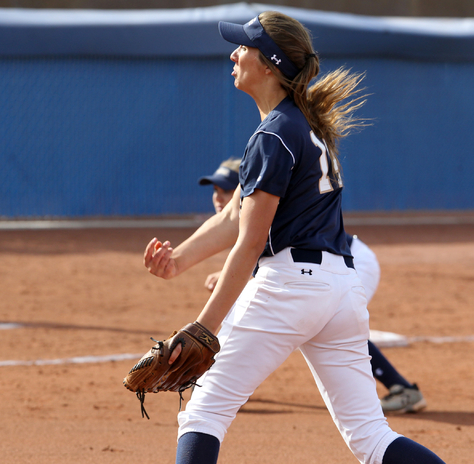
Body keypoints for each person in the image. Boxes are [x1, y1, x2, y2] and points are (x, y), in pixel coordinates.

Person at [143, 11, 444, 464]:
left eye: (243, 46)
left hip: (291, 285)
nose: (234, 53)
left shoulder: (274, 135)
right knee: (371, 436)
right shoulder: (300, 125)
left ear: (268, 63)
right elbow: (236, 218)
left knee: (204, 409)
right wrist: (179, 260)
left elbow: (249, 242)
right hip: (340, 289)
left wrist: (204, 327)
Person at [199, 159, 427, 414]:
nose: (219, 197)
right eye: (215, 190)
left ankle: (403, 389)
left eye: (227, 190)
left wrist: (232, 276)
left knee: (331, 322)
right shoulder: (250, 211)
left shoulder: (264, 202)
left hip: (351, 261)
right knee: (310, 319)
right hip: (319, 267)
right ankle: (227, 384)